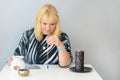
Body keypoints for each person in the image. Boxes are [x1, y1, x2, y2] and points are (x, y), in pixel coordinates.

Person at [8, 4, 72, 68]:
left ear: (56, 24)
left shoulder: (63, 37)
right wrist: (13, 61)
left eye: (52, 24)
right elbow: (17, 58)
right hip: (32, 76)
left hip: (55, 76)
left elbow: (65, 64)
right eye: (44, 23)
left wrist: (60, 45)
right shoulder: (28, 35)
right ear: (39, 22)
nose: (48, 28)